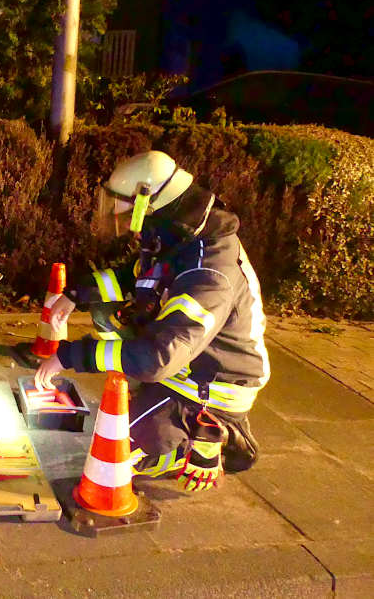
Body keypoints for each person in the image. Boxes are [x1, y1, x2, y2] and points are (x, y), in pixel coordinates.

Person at [35, 150, 268, 491]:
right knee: (107, 317)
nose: (118, 214)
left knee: (114, 451)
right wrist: (75, 295)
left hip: (211, 381)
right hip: (185, 358)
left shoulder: (209, 272)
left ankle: (205, 435)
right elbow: (135, 278)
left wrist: (70, 356)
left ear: (149, 202)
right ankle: (162, 411)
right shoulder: (176, 237)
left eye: (124, 206)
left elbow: (158, 358)